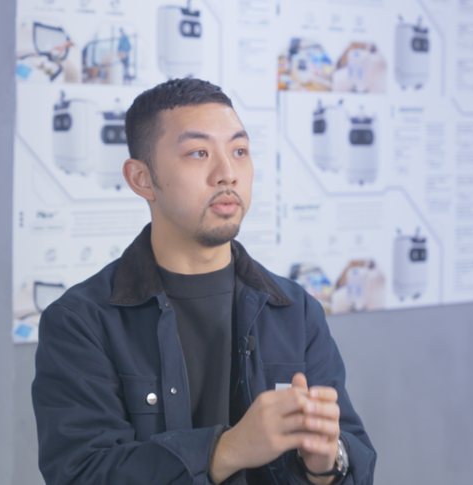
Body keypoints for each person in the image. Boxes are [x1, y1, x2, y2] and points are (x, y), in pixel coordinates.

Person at [32, 78, 376, 485]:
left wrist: (324, 464)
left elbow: (354, 454)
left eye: (239, 151)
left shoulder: (294, 309)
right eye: (199, 153)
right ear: (142, 178)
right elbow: (81, 474)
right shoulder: (81, 322)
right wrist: (226, 450)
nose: (227, 173)